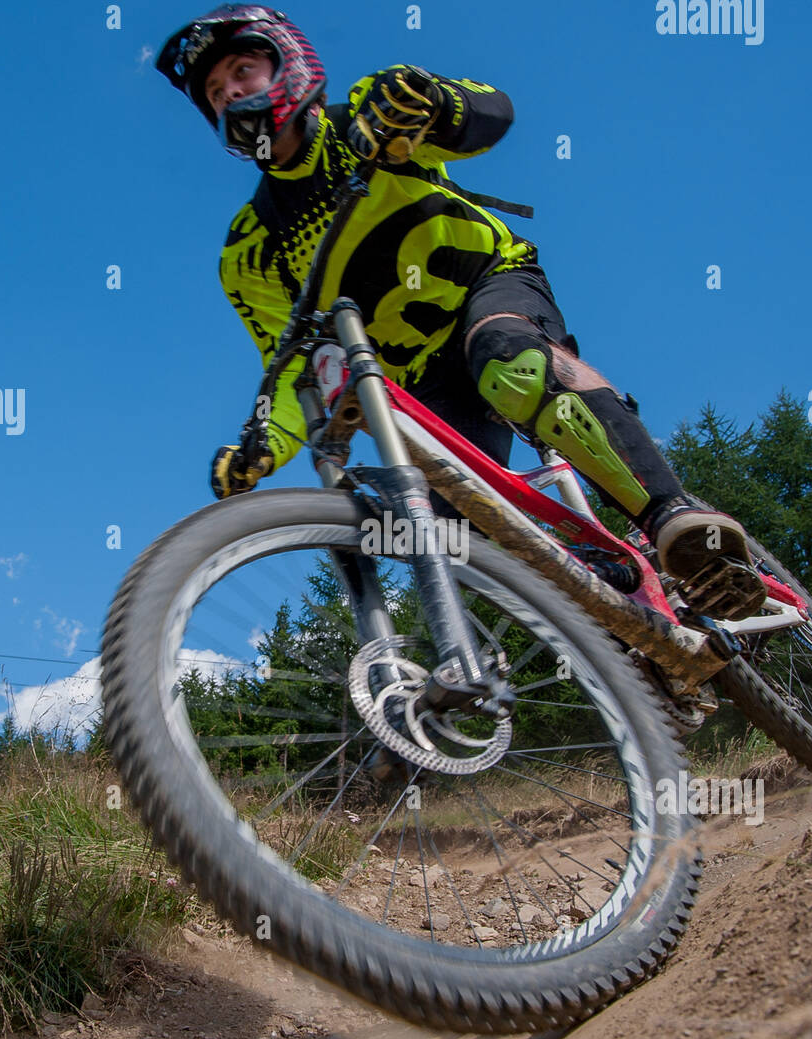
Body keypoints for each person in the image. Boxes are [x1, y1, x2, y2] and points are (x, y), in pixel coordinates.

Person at [156, 4, 765, 619]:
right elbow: (294, 368)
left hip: (489, 286)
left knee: (508, 361)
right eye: (213, 90)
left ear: (287, 61)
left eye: (242, 69)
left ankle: (675, 517)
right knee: (432, 533)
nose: (230, 91)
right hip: (421, 384)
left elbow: (490, 112)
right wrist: (264, 442)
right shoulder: (249, 252)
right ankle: (611, 602)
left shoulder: (370, 117)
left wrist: (436, 102)